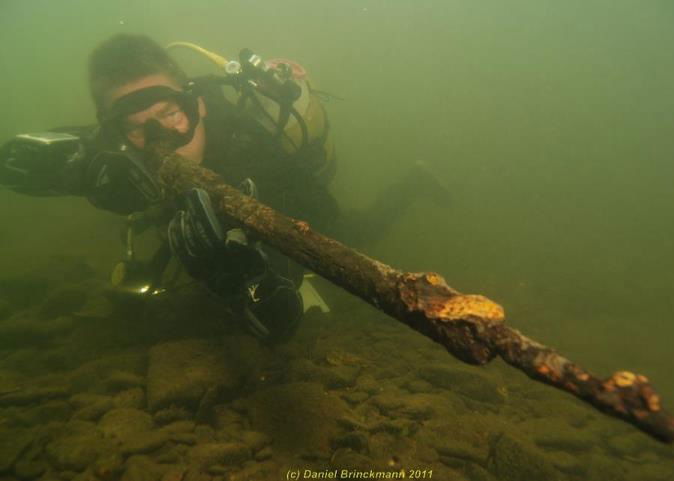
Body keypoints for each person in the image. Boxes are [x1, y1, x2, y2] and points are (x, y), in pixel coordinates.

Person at [0, 34, 448, 342]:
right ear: (115, 132)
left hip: (298, 210)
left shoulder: (251, 154)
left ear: (197, 105)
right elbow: (46, 154)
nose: (161, 139)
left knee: (360, 230)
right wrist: (59, 167)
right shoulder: (119, 153)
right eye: (137, 127)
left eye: (171, 114)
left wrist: (239, 279)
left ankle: (414, 181)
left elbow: (281, 327)